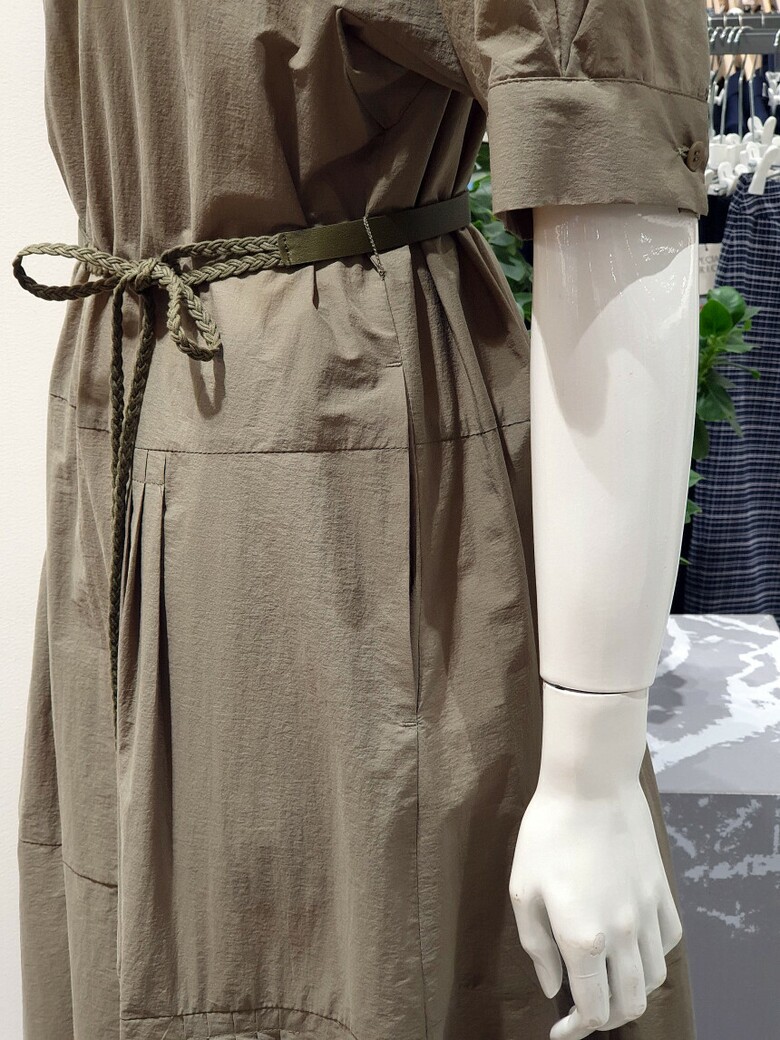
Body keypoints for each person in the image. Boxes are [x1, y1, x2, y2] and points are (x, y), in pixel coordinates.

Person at [15, 2, 709, 1038]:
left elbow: (606, 158)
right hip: (158, 428)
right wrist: (591, 773)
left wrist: (590, 768)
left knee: (359, 943)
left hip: (332, 451)